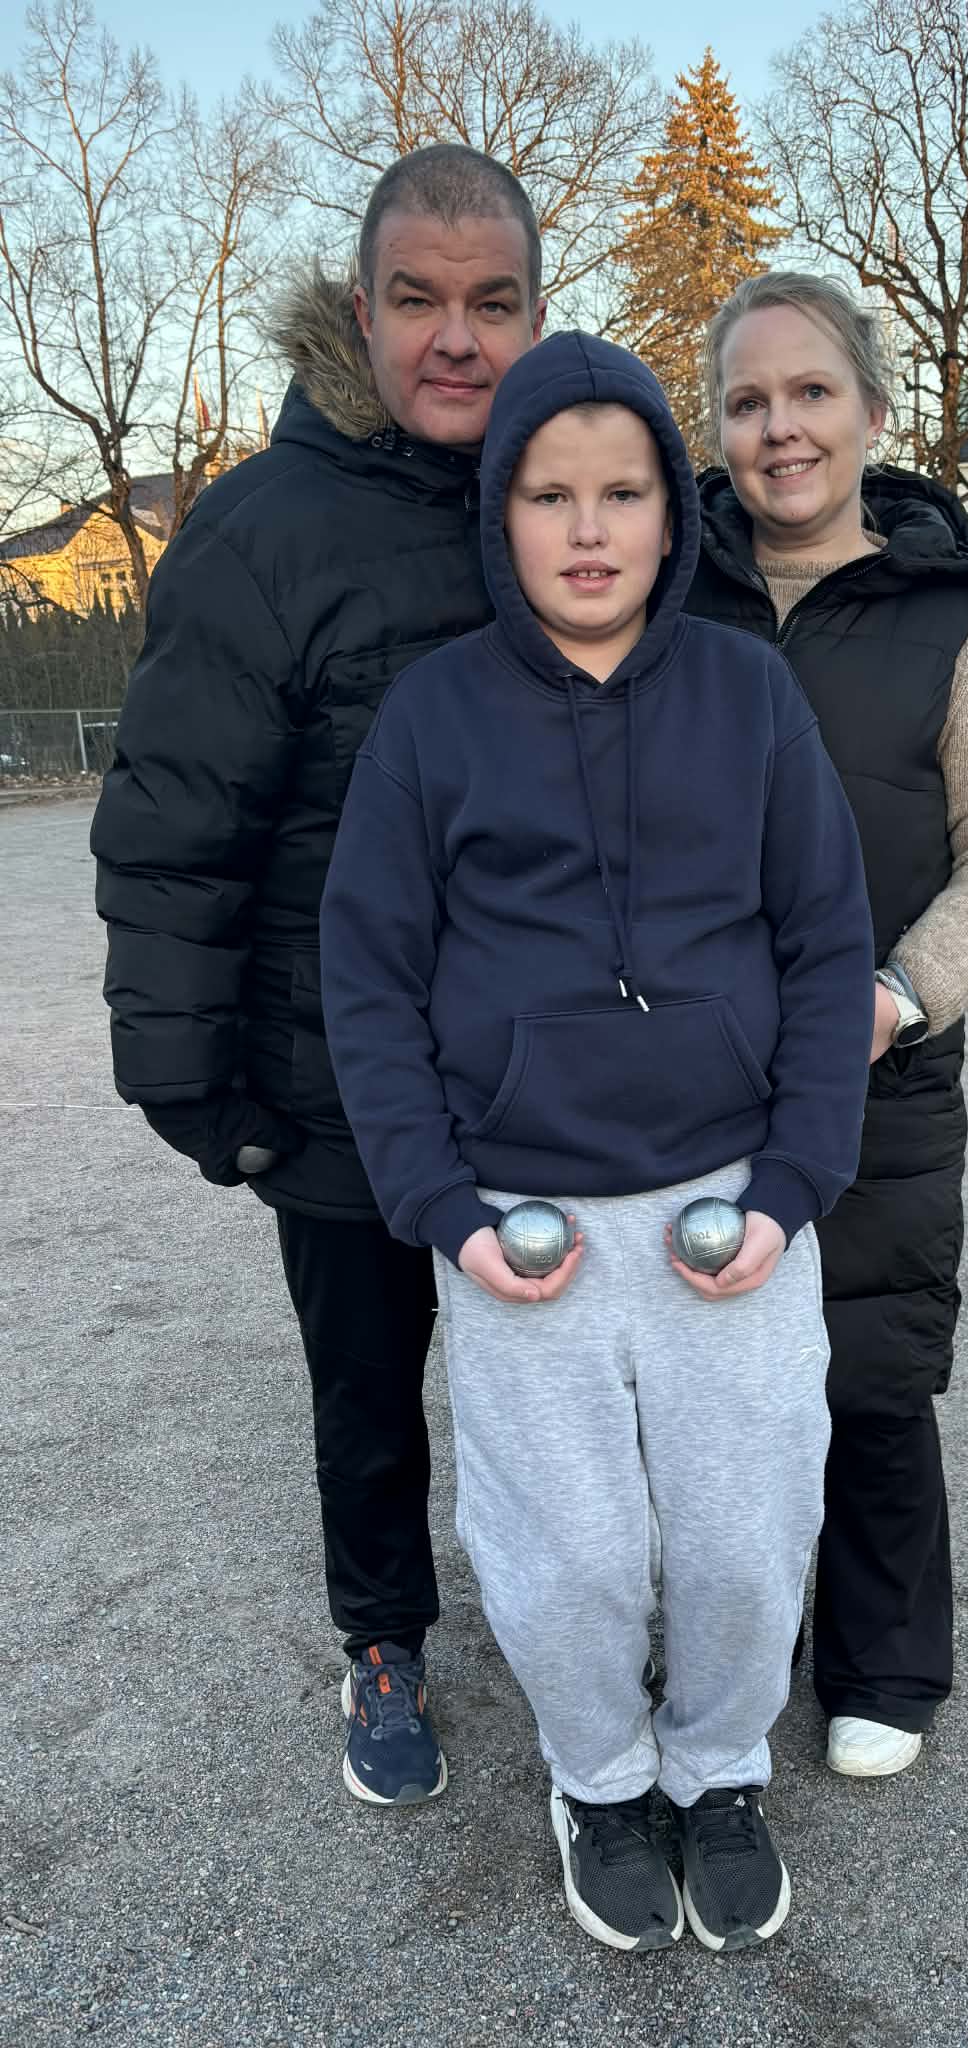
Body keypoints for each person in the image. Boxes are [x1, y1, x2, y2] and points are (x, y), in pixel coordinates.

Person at [318, 331, 875, 1952]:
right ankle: (603, 1780)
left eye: (621, 491)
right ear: (497, 512)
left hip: (731, 1208)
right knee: (566, 1555)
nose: (585, 528)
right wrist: (441, 1202)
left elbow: (824, 943)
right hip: (521, 1218)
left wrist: (792, 1183)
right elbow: (370, 976)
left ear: (669, 511)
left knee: (742, 1536)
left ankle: (715, 1769)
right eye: (547, 494)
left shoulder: (745, 693)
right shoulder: (432, 715)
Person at [90, 145, 546, 1807]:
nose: (455, 337)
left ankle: (580, 1638)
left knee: (563, 1383)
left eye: (491, 302)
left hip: (549, 1072)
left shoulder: (576, 490)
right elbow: (176, 829)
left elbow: (766, 610)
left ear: (535, 315)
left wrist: (932, 558)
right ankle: (384, 1642)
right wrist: (193, 1081)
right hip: (339, 1073)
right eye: (418, 299)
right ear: (359, 311)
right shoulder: (256, 531)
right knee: (365, 1386)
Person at [686, 272, 968, 1780]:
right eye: (746, 401)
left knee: (868, 1371)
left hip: (875, 1074)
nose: (779, 428)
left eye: (809, 392)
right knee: (706, 1378)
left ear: (869, 408)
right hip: (686, 1076)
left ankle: (884, 1660)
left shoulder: (954, 618)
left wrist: (902, 994)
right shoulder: (664, 594)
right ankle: (725, 1637)